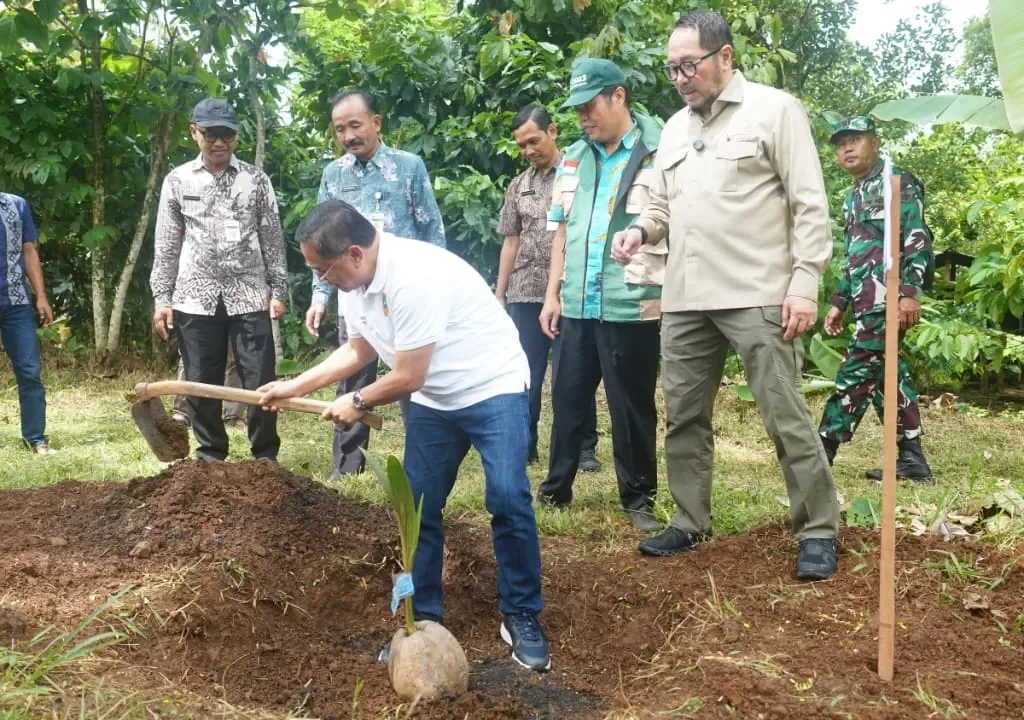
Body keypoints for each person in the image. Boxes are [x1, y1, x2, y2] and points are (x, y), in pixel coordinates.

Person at [260, 200, 550, 672]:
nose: (322, 280)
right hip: (437, 399)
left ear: (355, 253)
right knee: (416, 507)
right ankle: (422, 616)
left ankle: (521, 612)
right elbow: (358, 349)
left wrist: (357, 401)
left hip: (491, 386)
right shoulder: (355, 283)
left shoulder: (414, 277)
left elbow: (409, 376)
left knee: (507, 496)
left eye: (323, 270)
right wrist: (294, 386)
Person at [612, 9, 839, 579]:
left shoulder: (775, 110)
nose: (680, 78)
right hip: (686, 297)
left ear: (726, 56)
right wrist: (641, 230)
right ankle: (690, 520)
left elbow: (809, 203)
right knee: (683, 416)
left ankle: (817, 529)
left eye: (689, 65)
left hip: (758, 291)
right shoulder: (673, 128)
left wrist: (805, 283)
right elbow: (661, 206)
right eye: (672, 69)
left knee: (784, 413)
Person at [536, 59, 666, 533]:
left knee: (631, 406)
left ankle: (638, 498)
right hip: (577, 302)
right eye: (577, 110)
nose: (583, 117)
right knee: (567, 399)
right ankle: (555, 489)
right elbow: (562, 232)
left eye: (590, 106)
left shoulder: (659, 150)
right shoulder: (573, 157)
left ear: (618, 96)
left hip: (631, 303)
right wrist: (552, 294)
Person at [305, 88, 446, 479]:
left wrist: (435, 288)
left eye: (355, 125)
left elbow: (432, 231)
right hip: (355, 295)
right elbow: (319, 242)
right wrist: (320, 297)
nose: (349, 136)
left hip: (405, 295)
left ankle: (421, 462)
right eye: (340, 130)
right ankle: (347, 467)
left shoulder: (409, 167)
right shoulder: (334, 175)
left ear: (376, 122)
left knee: (413, 381)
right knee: (353, 376)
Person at [150, 97, 288, 462]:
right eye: (211, 134)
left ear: (237, 136)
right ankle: (210, 454)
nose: (219, 143)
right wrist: (162, 298)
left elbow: (273, 239)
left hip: (250, 295)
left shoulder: (255, 180)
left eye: (227, 135)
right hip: (195, 297)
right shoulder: (177, 181)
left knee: (260, 380)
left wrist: (279, 289)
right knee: (200, 380)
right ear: (194, 133)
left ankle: (265, 457)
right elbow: (166, 244)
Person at [818, 116, 934, 482]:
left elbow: (917, 239)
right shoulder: (853, 195)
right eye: (841, 144)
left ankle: (822, 450)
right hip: (865, 300)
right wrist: (840, 301)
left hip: (889, 299)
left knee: (855, 370)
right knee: (887, 375)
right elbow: (856, 255)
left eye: (855, 140)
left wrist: (910, 294)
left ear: (876, 142)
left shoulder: (896, 181)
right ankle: (912, 458)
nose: (847, 148)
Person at [495, 103, 601, 470]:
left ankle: (583, 447)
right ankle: (524, 443)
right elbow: (510, 240)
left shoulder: (579, 172)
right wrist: (499, 294)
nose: (528, 150)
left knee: (574, 371)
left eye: (534, 141)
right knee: (526, 371)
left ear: (552, 131)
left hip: (570, 289)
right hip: (525, 291)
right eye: (521, 145)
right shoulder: (519, 185)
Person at [0, 191, 55, 454]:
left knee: (30, 371)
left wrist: (41, 297)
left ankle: (35, 438)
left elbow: (29, 251)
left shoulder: (16, 204)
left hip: (16, 303)